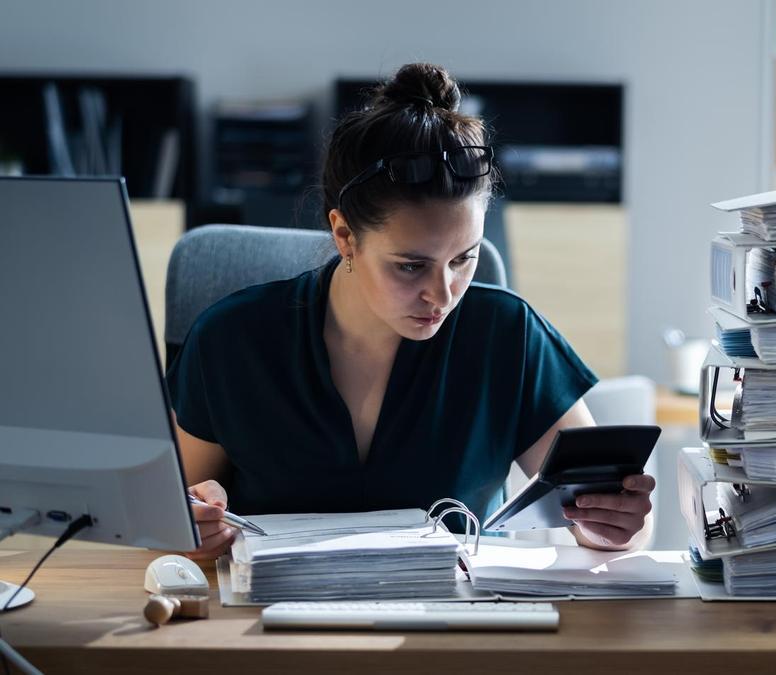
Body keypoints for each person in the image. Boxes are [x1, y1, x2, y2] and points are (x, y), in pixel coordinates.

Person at [166, 63, 654, 560]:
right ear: (344, 236)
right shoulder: (231, 340)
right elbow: (173, 517)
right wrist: (194, 528)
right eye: (410, 266)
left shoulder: (508, 335)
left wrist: (615, 526)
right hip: (276, 626)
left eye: (464, 259)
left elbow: (615, 520)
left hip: (454, 627)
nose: (442, 294)